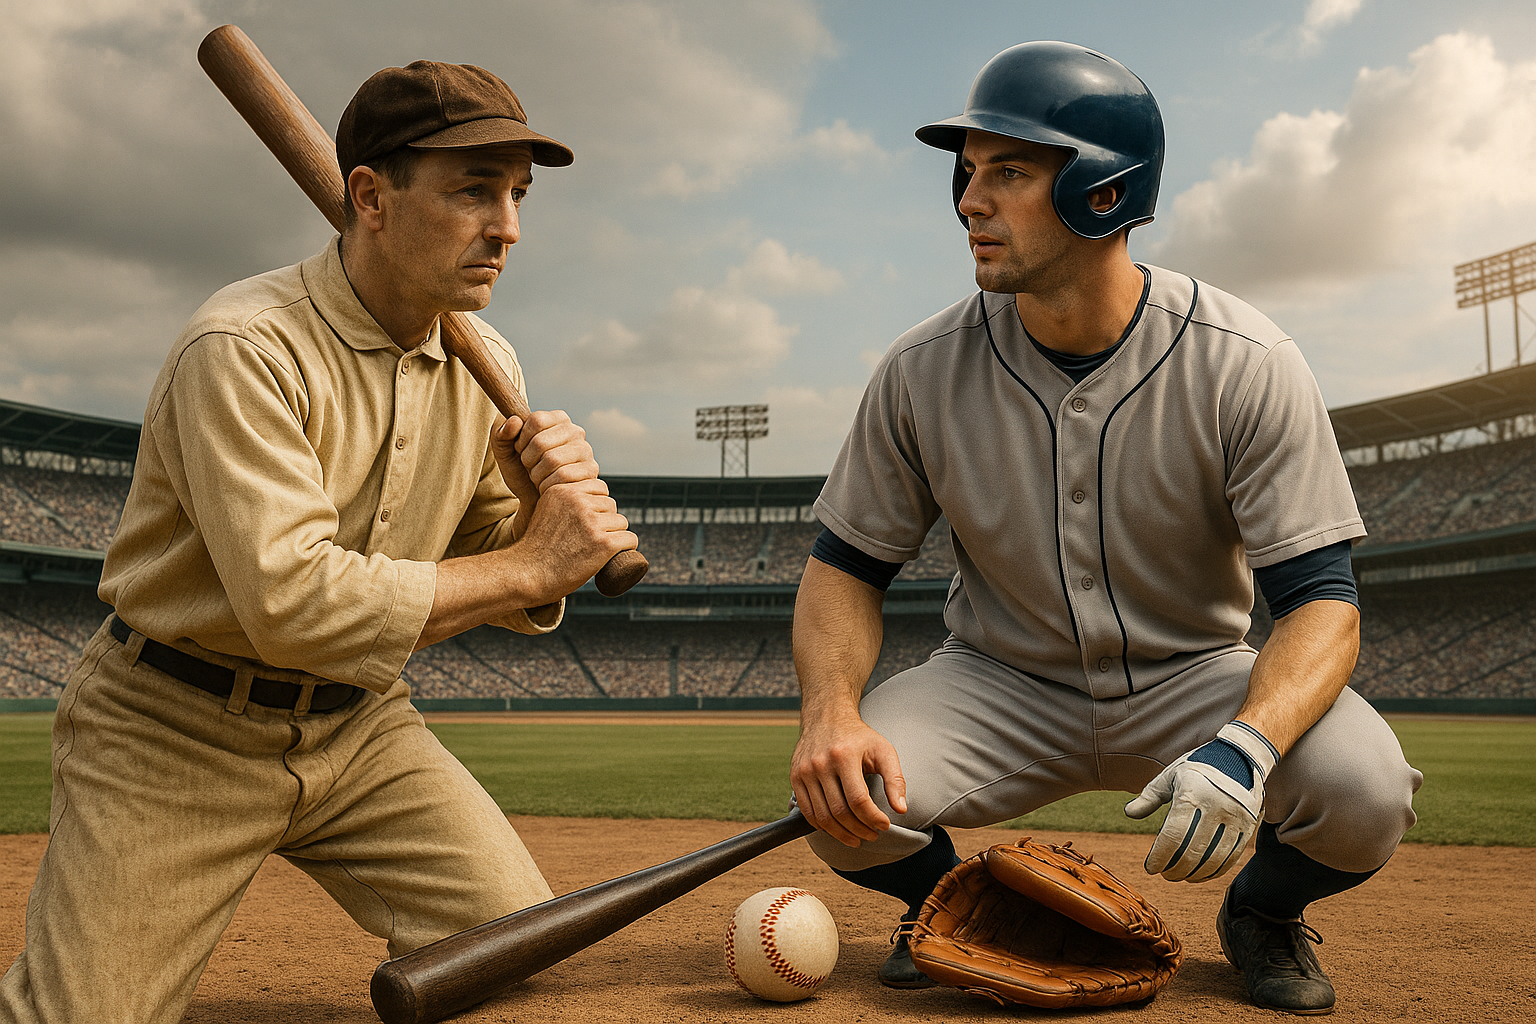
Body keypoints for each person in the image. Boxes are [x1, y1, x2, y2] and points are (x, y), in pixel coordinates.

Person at [789, 41, 1420, 1016]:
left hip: (1196, 679)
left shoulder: (1245, 360)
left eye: (1008, 172)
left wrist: (1246, 746)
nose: (968, 201)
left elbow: (1324, 605)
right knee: (839, 797)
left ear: (1103, 192)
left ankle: (1262, 911)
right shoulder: (921, 368)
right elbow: (844, 568)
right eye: (969, 172)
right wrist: (831, 713)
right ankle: (949, 907)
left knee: (1366, 792)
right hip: (997, 682)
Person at [0, 60, 636, 1023]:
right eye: (474, 191)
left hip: (361, 729)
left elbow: (489, 554)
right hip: (175, 725)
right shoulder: (243, 347)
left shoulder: (486, 362)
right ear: (370, 198)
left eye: (517, 194)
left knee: (508, 944)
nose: (507, 227)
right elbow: (294, 603)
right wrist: (530, 563)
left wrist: (533, 519)